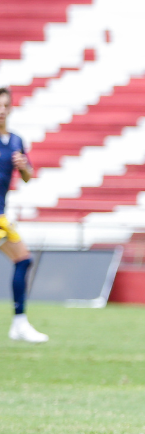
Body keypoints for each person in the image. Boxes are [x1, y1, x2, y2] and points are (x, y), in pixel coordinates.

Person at [0, 87, 46, 343]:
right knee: (23, 259)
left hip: (1, 214)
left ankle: (19, 323)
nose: (1, 110)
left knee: (24, 260)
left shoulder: (16, 141)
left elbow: (28, 177)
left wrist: (23, 166)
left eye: (5, 106)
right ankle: (19, 323)